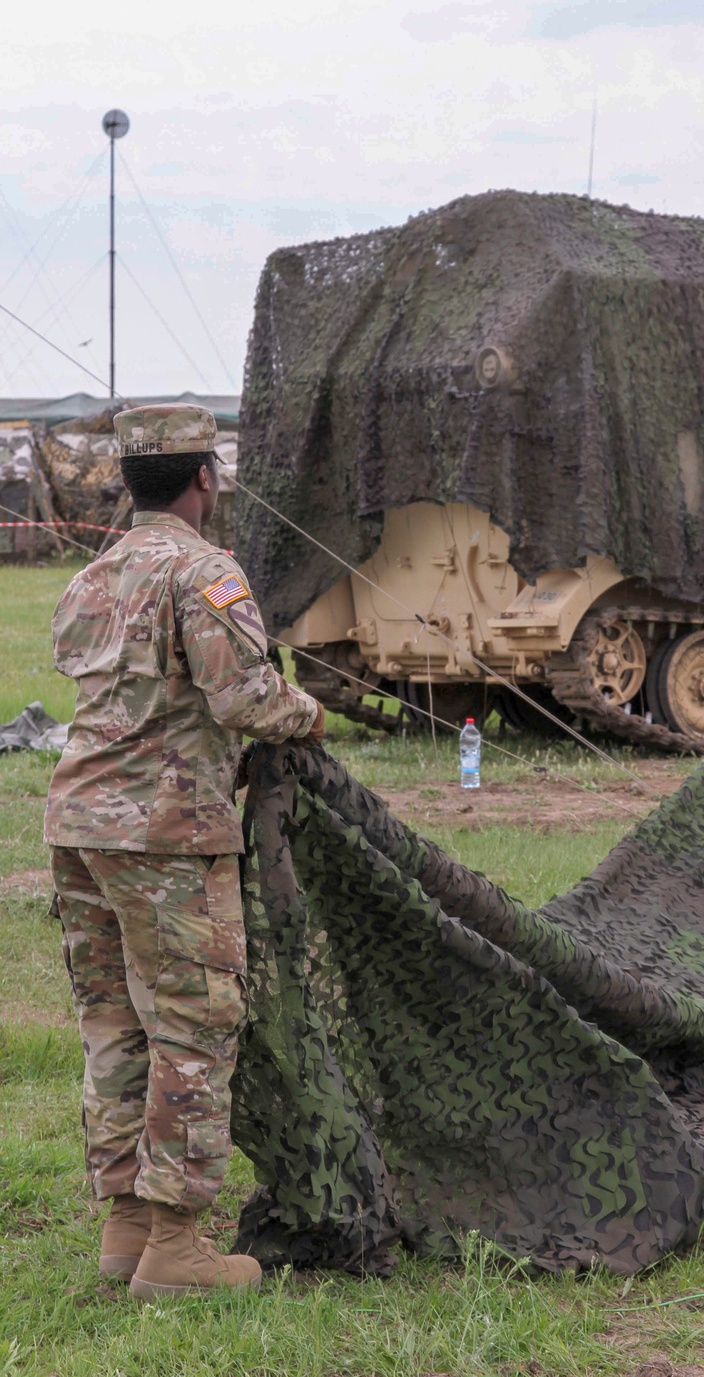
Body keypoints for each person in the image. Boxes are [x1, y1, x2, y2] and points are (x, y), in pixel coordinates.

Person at [44, 403, 326, 1301]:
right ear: (206, 477)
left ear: (130, 480)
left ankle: (125, 1228)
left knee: (115, 1026)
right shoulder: (204, 570)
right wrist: (310, 713)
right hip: (163, 835)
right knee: (195, 1025)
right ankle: (176, 1249)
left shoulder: (94, 575)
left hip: (78, 826)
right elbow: (243, 695)